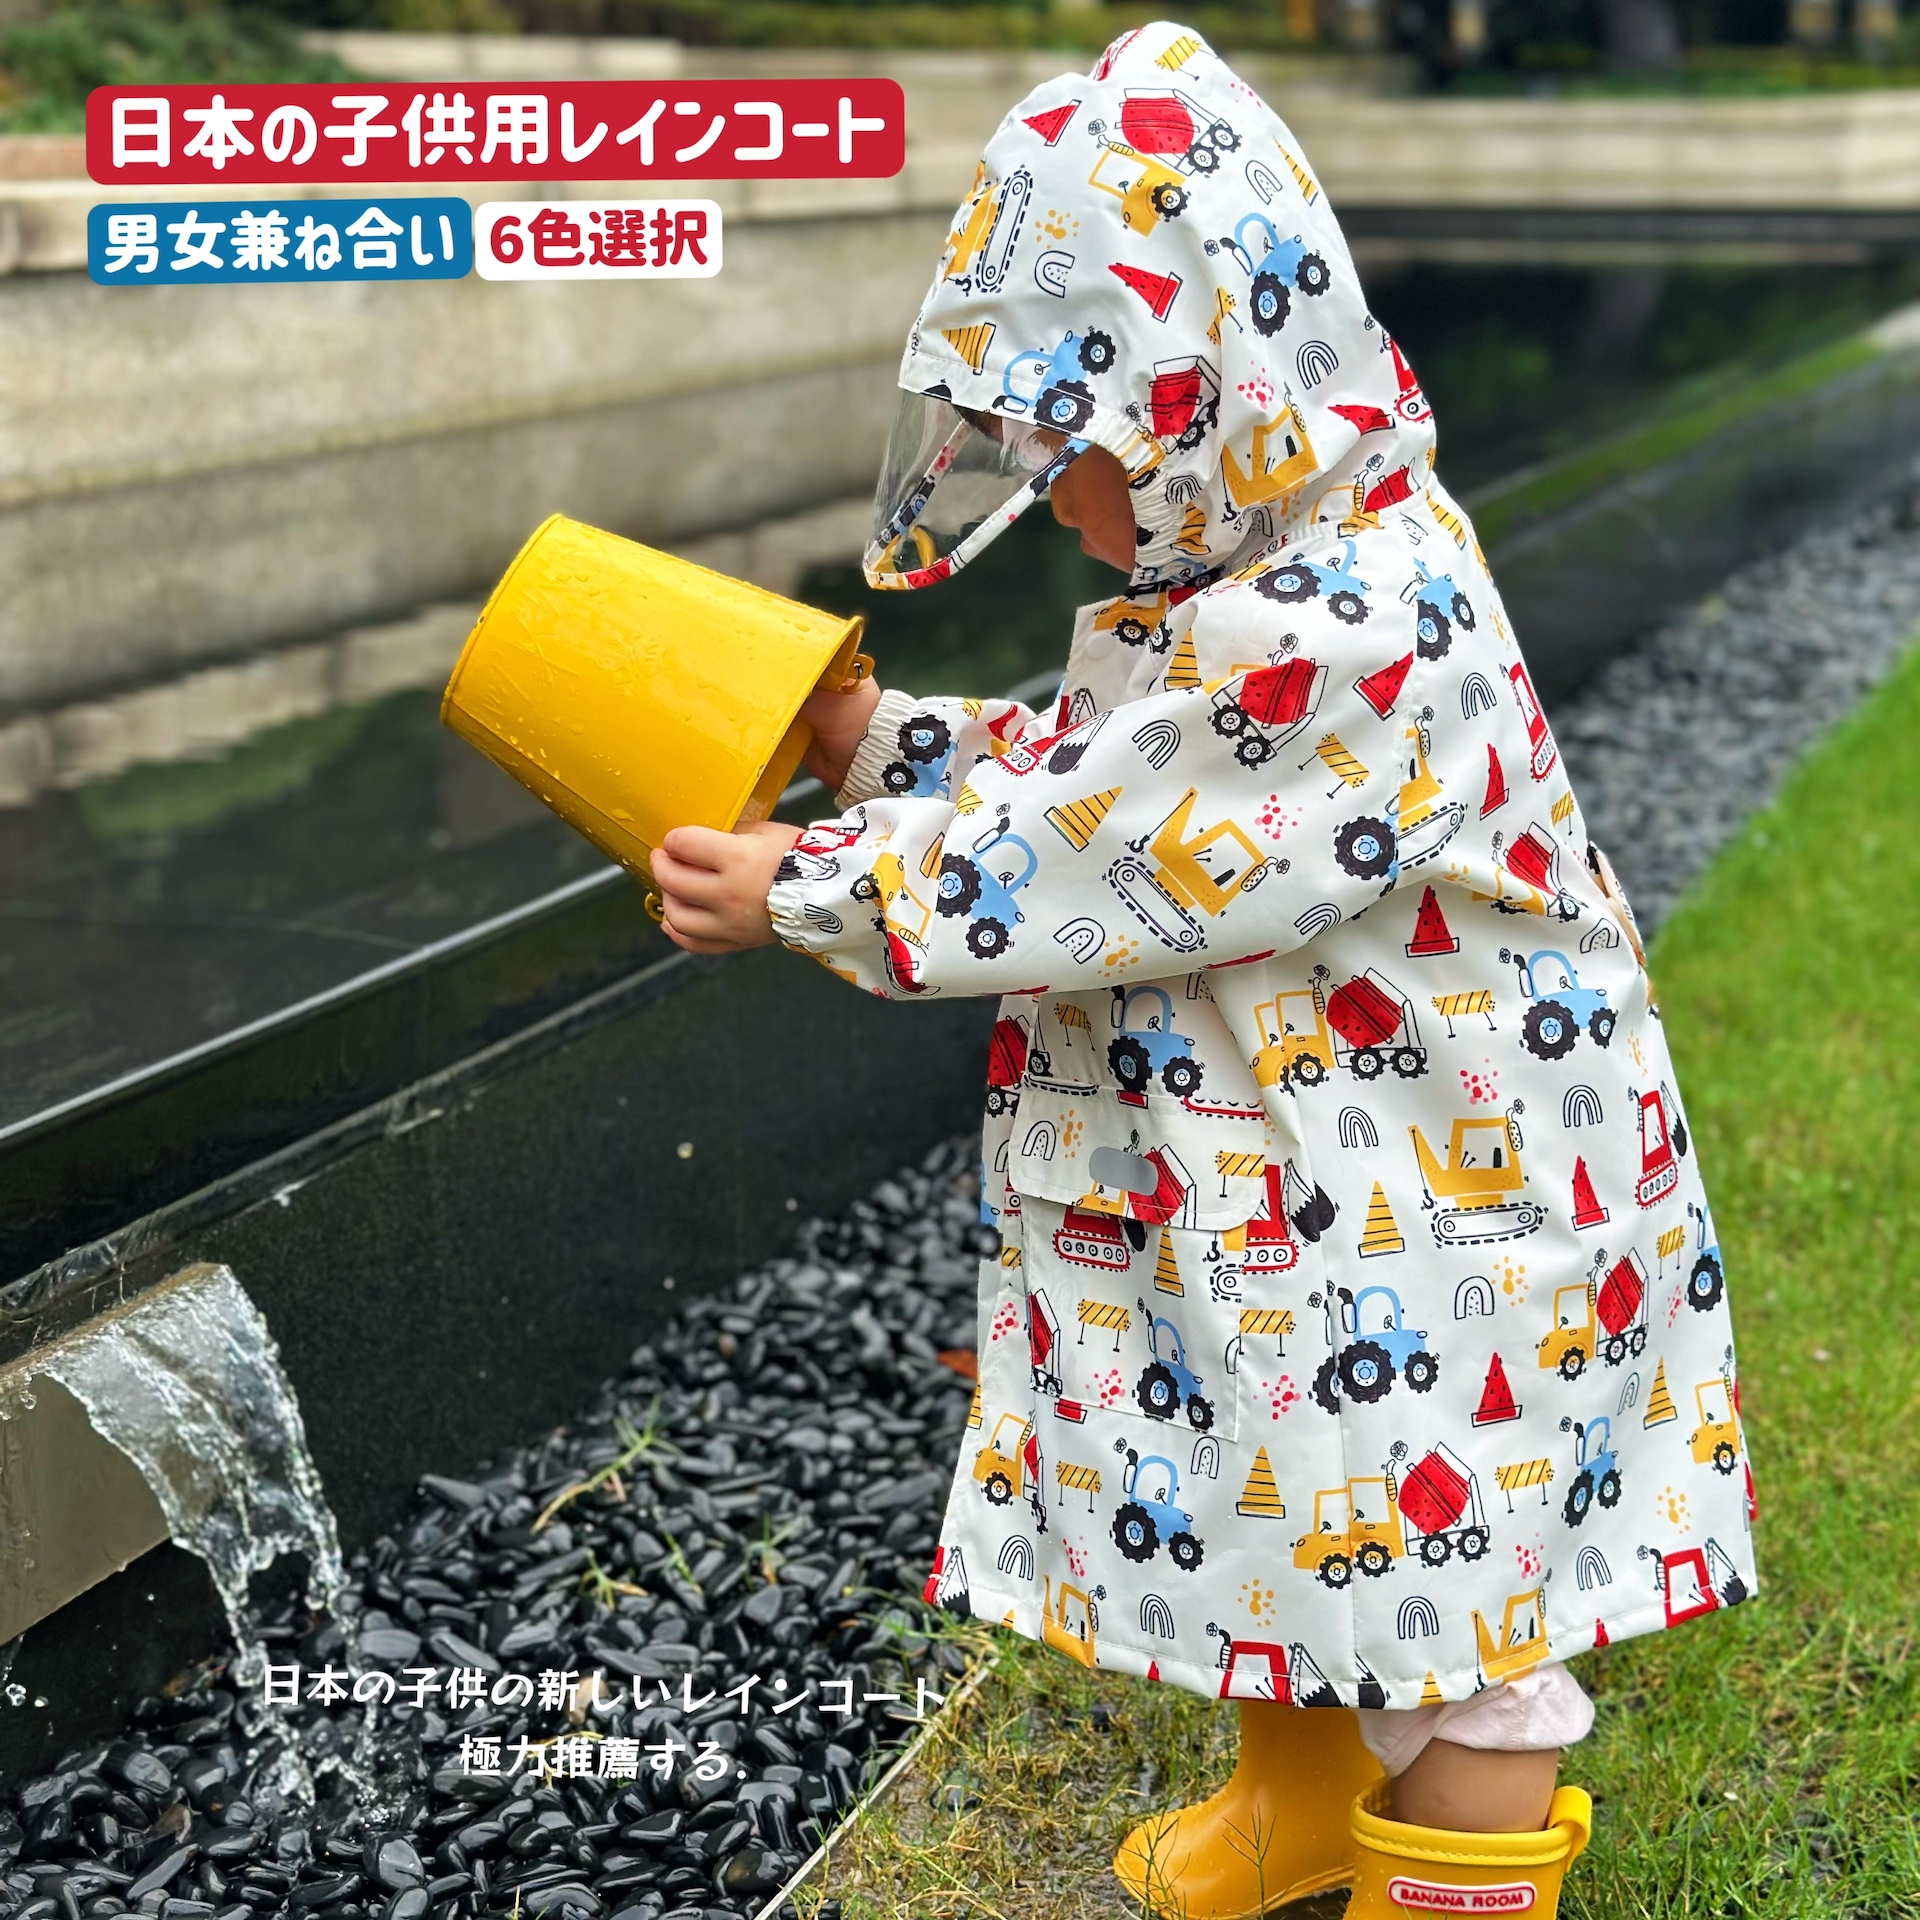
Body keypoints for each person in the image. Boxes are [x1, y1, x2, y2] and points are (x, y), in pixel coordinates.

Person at [647, 23, 1755, 1917]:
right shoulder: (1255, 590)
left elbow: (1093, 851)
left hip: (1446, 1223)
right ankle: (1310, 1809)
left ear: (1196, 398)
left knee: (1462, 1635)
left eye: (1077, 455)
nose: (1062, 503)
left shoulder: (1348, 621)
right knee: (1282, 1476)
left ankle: (1455, 1885)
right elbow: (1107, 781)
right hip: (1328, 1190)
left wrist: (819, 886)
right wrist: (874, 745)